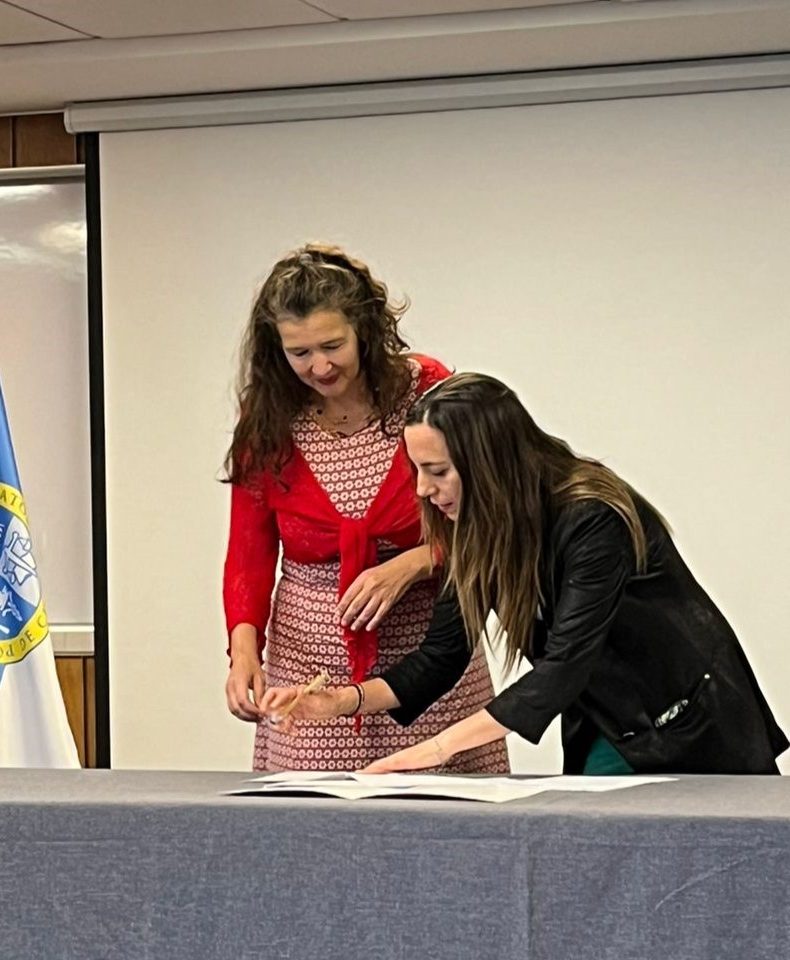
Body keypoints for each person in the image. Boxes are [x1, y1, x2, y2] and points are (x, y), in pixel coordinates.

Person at [263, 372, 788, 774]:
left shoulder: (593, 515)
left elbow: (562, 666)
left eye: (438, 471)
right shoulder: (470, 525)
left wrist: (438, 748)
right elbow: (439, 658)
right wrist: (342, 700)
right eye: (416, 471)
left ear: (490, 462)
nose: (422, 490)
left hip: (696, 727)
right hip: (609, 723)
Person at [223, 245, 508, 773]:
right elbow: (249, 553)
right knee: (316, 832)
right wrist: (243, 653)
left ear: (364, 330)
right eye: (299, 352)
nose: (320, 366)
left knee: (443, 825)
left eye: (333, 345)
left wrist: (414, 563)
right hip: (310, 657)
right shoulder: (267, 417)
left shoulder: (424, 389)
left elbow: (488, 514)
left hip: (431, 648)